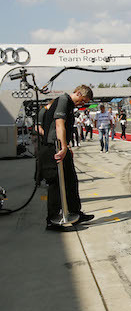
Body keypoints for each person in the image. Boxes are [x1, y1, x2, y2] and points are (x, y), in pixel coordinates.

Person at [38, 85, 95, 230]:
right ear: (77, 93)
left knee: (71, 179)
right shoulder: (63, 99)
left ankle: (75, 212)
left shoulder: (68, 104)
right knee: (55, 183)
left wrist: (66, 147)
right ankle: (52, 219)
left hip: (61, 146)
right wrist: (63, 146)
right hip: (53, 148)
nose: (82, 104)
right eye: (82, 100)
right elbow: (59, 124)